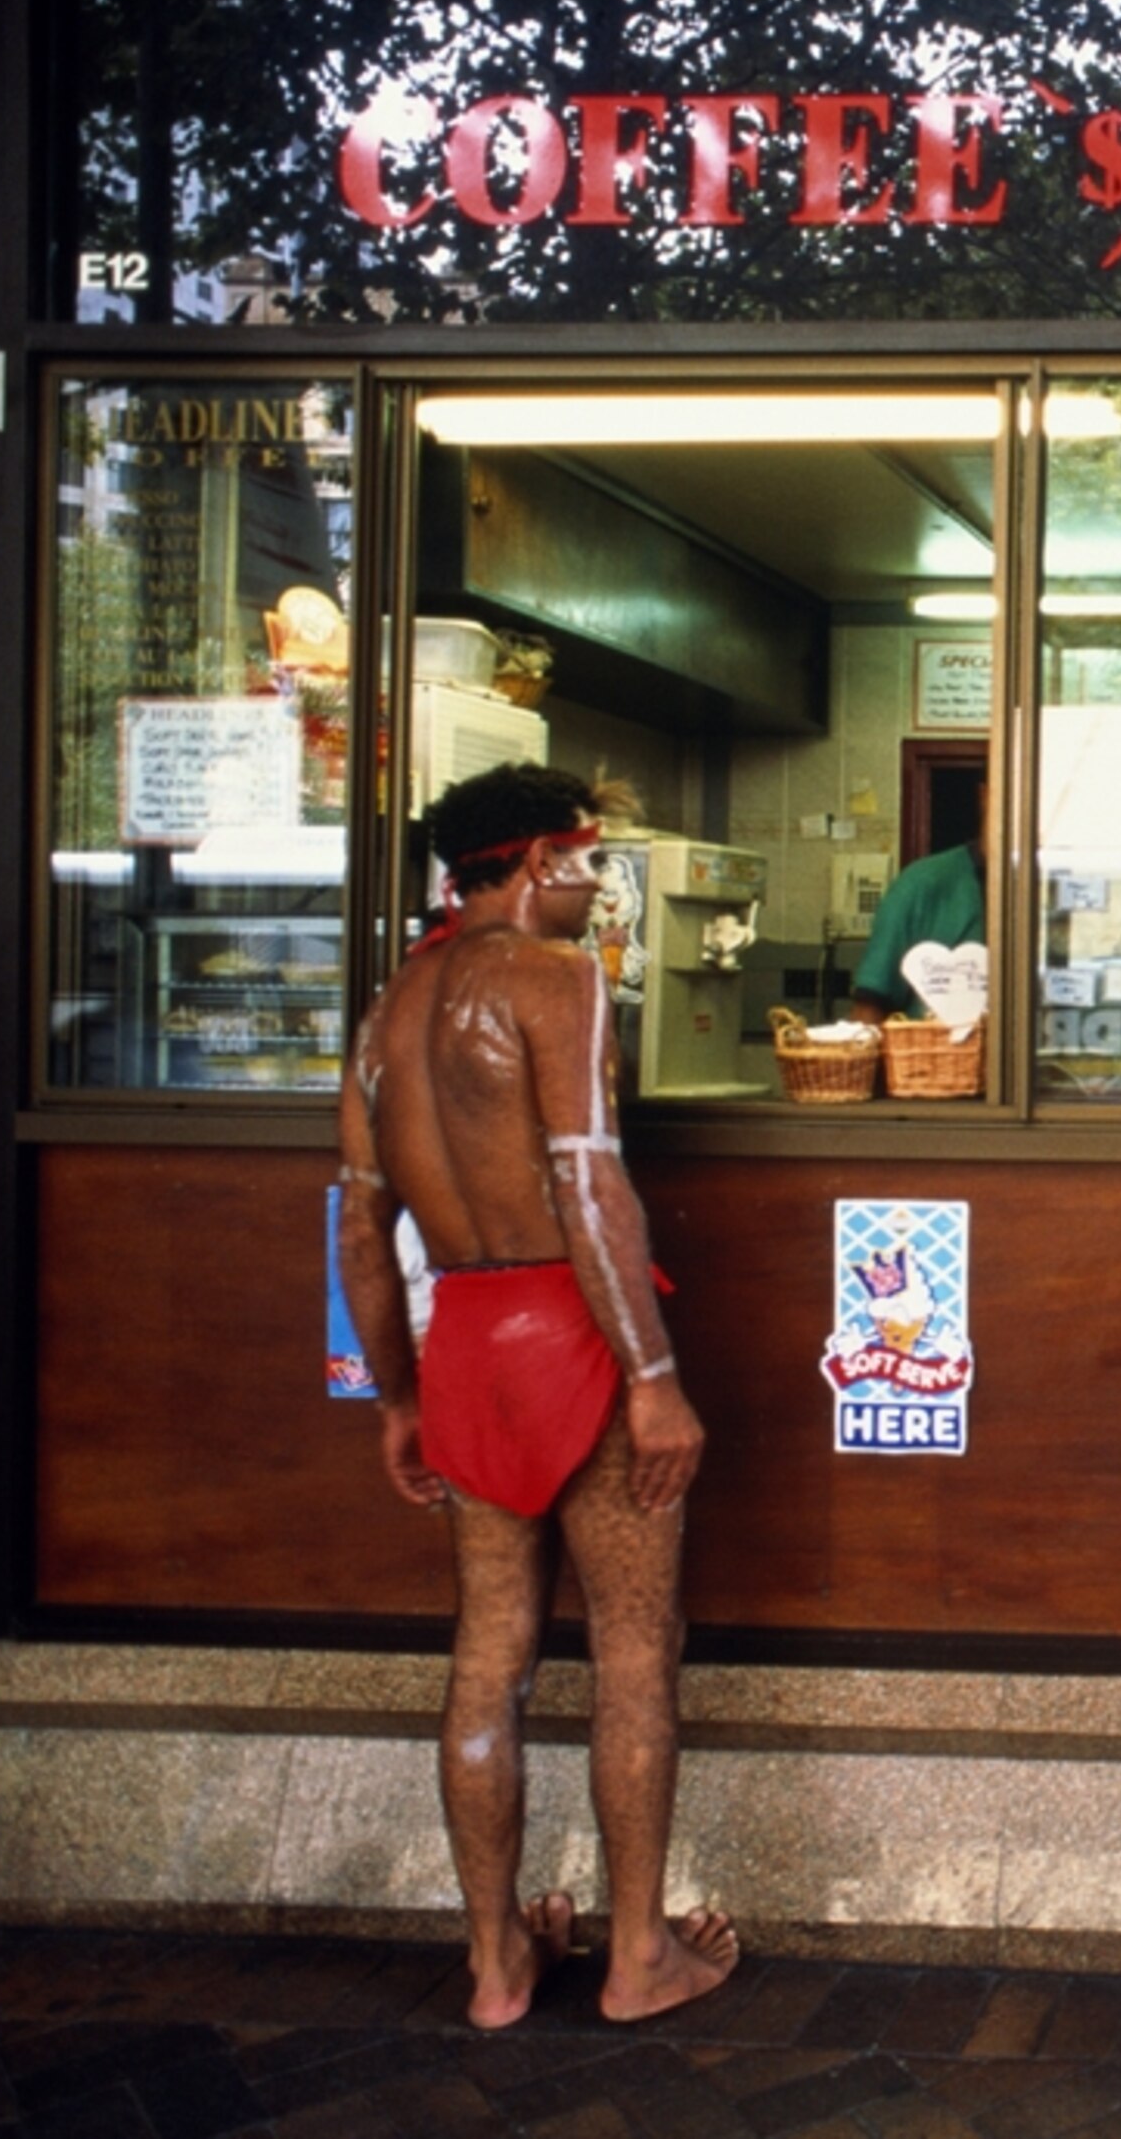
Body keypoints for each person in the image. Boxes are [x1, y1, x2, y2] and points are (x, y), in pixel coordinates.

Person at [334, 763, 741, 2030]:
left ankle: (497, 1960)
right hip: (570, 1330)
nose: (598, 886)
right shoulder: (560, 982)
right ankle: (636, 1955)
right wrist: (656, 1376)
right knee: (633, 1651)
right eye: (588, 862)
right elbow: (587, 1185)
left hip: (459, 1334)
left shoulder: (389, 1008)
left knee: (489, 1657)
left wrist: (398, 1394)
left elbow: (361, 1224)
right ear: (530, 866)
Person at [847, 818, 987, 1024]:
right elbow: (868, 1013)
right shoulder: (920, 886)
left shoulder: (1047, 888)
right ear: (985, 795)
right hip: (927, 1052)